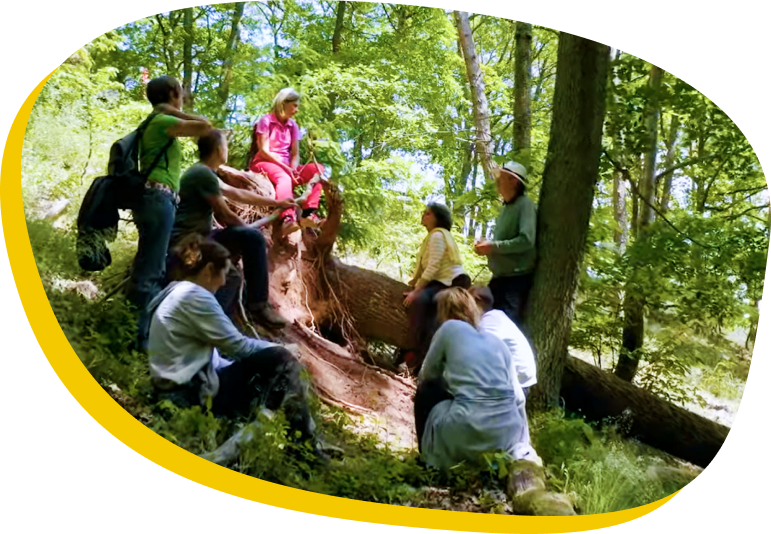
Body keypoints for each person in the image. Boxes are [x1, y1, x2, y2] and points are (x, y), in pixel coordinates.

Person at [147, 234, 327, 460]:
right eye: (223, 274)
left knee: (275, 367)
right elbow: (239, 346)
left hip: (174, 391)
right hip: (186, 396)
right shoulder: (195, 297)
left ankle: (304, 441)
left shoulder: (175, 292)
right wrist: (281, 352)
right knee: (281, 360)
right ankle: (304, 447)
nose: (223, 282)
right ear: (209, 269)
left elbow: (218, 359)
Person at [168, 129, 298, 328]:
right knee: (249, 245)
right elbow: (225, 215)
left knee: (241, 256)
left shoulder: (205, 172)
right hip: (188, 242)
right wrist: (248, 232)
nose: (227, 149)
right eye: (226, 145)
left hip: (199, 237)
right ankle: (253, 309)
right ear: (219, 149)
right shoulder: (203, 174)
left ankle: (231, 318)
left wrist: (276, 203)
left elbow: (237, 193)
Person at [127, 75, 212, 352]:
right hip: (158, 197)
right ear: (173, 93)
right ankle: (143, 342)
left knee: (148, 265)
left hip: (154, 199)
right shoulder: (161, 121)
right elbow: (204, 126)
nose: (184, 96)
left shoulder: (153, 122)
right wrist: (171, 110)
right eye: (180, 92)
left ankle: (134, 330)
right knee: (152, 271)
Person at [415, 287, 541, 470]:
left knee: (425, 392)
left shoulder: (449, 328)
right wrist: (524, 442)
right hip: (507, 437)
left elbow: (426, 376)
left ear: (444, 310)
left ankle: (428, 460)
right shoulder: (497, 342)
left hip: (469, 427)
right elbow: (519, 398)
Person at [401, 203, 470, 375]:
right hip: (441, 282)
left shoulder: (437, 236)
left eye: (428, 213)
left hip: (452, 283)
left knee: (423, 304)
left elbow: (433, 267)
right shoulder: (434, 236)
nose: (424, 216)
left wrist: (417, 290)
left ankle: (419, 357)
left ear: (438, 218)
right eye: (424, 212)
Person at [248, 88, 327, 236]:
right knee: (284, 178)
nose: (296, 110)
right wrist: (285, 168)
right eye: (294, 105)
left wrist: (294, 168)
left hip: (286, 168)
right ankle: (287, 219)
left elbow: (295, 154)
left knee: (318, 169)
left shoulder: (293, 126)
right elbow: (264, 151)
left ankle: (308, 214)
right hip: (263, 163)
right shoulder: (266, 121)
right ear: (283, 103)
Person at [473, 161, 537, 332]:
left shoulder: (525, 205)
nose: (497, 181)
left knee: (505, 329)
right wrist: (486, 247)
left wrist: (492, 247)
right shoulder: (506, 208)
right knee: (484, 322)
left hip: (515, 282)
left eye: (502, 177)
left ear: (514, 181)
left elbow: (526, 240)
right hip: (499, 279)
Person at [469, 286, 537, 399]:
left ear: (477, 301)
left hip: (515, 388)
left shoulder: (490, 322)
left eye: (466, 302)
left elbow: (480, 357)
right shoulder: (495, 317)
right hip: (515, 382)